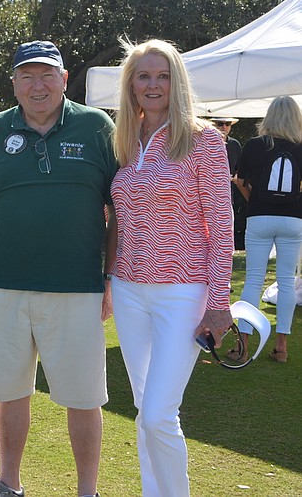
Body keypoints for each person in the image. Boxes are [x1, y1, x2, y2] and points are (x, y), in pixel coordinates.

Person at [0, 40, 117, 497]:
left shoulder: (97, 127)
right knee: (11, 392)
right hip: (4, 289)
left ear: (65, 79)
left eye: (46, 74)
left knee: (84, 397)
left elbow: (120, 209)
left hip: (77, 288)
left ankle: (86, 491)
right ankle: (8, 483)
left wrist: (110, 278)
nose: (37, 85)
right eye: (27, 76)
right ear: (13, 82)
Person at [109, 39, 234, 496]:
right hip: (128, 290)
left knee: (160, 412)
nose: (153, 84)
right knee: (146, 410)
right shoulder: (125, 140)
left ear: (176, 81)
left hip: (184, 291)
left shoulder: (203, 139)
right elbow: (117, 222)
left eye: (162, 75)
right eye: (144, 76)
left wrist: (219, 304)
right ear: (132, 84)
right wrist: (108, 282)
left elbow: (222, 225)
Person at [232, 96, 302, 364]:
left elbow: (240, 181)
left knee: (252, 280)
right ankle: (281, 346)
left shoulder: (255, 145)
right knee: (286, 282)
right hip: (293, 220)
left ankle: (243, 345)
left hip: (260, 217)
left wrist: (257, 202)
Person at [212, 117, 248, 249]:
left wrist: (233, 178)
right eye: (220, 124)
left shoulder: (234, 145)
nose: (224, 127)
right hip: (208, 193)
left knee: (226, 227)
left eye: (227, 124)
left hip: (227, 195)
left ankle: (225, 251)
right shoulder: (205, 143)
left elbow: (240, 171)